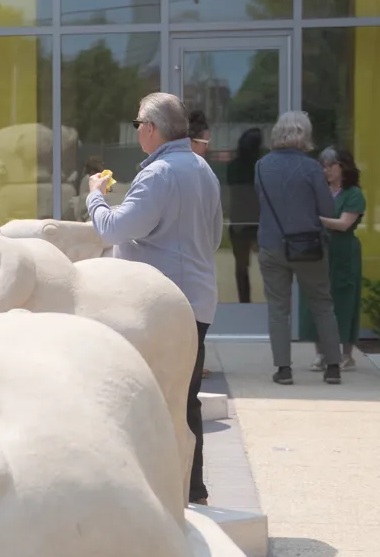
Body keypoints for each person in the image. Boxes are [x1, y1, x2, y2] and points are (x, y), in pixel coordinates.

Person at [83, 92, 223, 506]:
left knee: (148, 399)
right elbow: (214, 237)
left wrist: (94, 194)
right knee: (185, 397)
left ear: (151, 127)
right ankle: (191, 490)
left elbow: (112, 229)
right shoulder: (202, 168)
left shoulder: (159, 173)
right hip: (196, 300)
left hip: (156, 307)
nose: (137, 132)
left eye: (137, 125)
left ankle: (154, 493)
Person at [255, 111, 343, 386]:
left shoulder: (262, 165)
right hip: (308, 246)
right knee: (322, 305)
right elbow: (327, 209)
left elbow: (263, 202)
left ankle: (283, 369)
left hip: (271, 244)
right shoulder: (311, 168)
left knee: (278, 309)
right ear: (305, 135)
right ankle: (333, 367)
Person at [299, 147, 367, 371]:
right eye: (324, 167)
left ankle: (346, 354)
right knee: (317, 300)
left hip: (344, 253)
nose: (326, 171)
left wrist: (315, 217)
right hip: (320, 250)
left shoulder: (353, 194)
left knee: (344, 300)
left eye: (331, 166)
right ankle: (321, 354)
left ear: (343, 167)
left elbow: (344, 224)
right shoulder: (321, 190)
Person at [224, 126, 264, 305]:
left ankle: (244, 303)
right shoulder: (262, 167)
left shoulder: (233, 167)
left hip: (239, 222)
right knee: (270, 265)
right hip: (260, 221)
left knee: (241, 268)